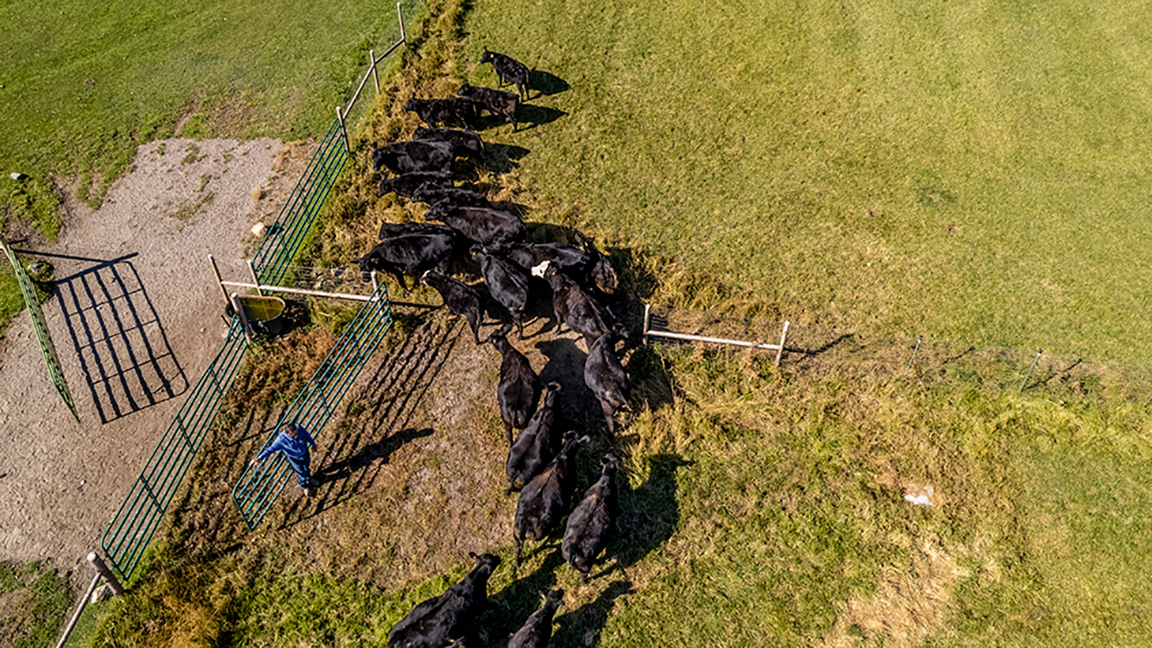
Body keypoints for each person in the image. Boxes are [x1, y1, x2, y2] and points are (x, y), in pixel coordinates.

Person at [250, 423, 319, 497]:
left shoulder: (299, 428)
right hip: (295, 459)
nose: (298, 433)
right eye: (295, 433)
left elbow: (306, 435)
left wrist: (313, 444)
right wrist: (260, 457)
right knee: (301, 472)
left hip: (305, 453)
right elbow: (270, 449)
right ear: (289, 434)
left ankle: (309, 478)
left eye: (297, 431)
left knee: (307, 465)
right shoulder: (281, 440)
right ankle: (304, 486)